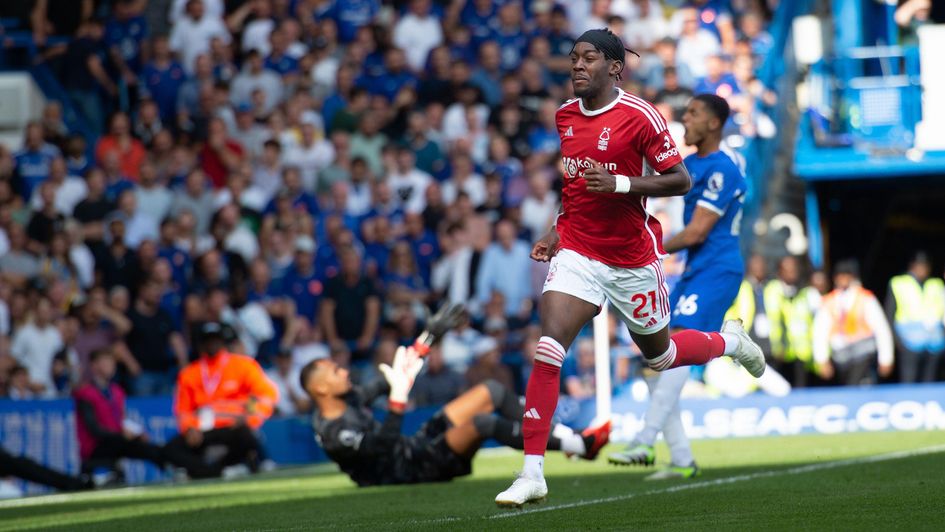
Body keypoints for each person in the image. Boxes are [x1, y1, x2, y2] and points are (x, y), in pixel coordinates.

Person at [494, 29, 764, 507]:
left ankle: (730, 342)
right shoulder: (564, 116)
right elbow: (574, 183)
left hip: (632, 258)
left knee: (659, 357)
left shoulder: (641, 116)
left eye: (589, 58)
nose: (577, 66)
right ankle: (532, 471)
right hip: (579, 251)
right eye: (573, 58)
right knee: (548, 348)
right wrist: (558, 229)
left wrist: (620, 183)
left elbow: (678, 179)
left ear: (614, 67)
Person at [607, 94, 748, 479]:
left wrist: (646, 246)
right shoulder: (688, 166)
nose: (685, 119)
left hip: (718, 269)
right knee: (655, 359)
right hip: (692, 272)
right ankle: (682, 458)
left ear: (715, 124)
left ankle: (644, 441)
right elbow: (645, 186)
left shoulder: (723, 168)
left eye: (693, 113)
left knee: (678, 343)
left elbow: (698, 231)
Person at [301, 344, 606, 488]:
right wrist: (397, 400)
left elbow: (382, 383)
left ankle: (568, 437)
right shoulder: (332, 431)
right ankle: (579, 446)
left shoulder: (349, 398)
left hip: (412, 448)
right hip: (407, 472)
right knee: (483, 423)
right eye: (335, 371)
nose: (344, 371)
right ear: (321, 388)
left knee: (491, 390)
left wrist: (423, 345)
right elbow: (381, 445)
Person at [73, 349, 214, 480]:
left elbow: (119, 421)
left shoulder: (117, 392)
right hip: (96, 446)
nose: (110, 366)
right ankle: (184, 469)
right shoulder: (86, 394)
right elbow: (94, 429)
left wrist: (135, 432)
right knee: (136, 446)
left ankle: (178, 468)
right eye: (104, 362)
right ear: (94, 366)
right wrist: (123, 435)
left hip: (117, 441)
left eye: (111, 362)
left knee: (148, 446)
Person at [163, 322, 278, 478]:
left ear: (223, 341)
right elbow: (183, 410)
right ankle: (220, 470)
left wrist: (248, 417)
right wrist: (189, 429)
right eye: (208, 340)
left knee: (246, 436)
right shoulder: (189, 373)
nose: (212, 344)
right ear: (201, 344)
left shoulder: (242, 365)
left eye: (216, 339)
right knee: (171, 449)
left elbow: (264, 394)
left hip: (233, 427)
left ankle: (206, 470)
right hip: (202, 430)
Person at [813, 260, 894, 385]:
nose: (843, 279)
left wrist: (886, 358)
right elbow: (820, 332)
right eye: (840, 275)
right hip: (841, 356)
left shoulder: (865, 298)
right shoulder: (829, 301)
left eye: (846, 275)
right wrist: (821, 359)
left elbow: (881, 329)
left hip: (863, 353)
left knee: (858, 384)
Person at [886, 252, 944, 383]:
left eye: (925, 265)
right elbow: (890, 314)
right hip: (909, 342)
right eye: (919, 265)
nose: (922, 269)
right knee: (909, 381)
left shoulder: (936, 284)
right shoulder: (899, 283)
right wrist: (898, 342)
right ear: (912, 266)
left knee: (931, 382)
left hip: (934, 343)